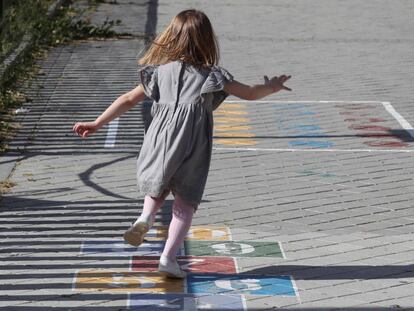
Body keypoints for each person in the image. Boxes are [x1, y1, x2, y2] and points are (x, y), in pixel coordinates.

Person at [72, 9, 291, 279]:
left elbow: (128, 98)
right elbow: (248, 93)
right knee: (185, 204)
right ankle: (168, 258)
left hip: (160, 140)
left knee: (158, 184)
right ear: (207, 41)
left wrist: (96, 123)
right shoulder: (212, 76)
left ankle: (145, 217)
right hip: (193, 143)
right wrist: (270, 87)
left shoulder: (158, 73)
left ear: (171, 38)